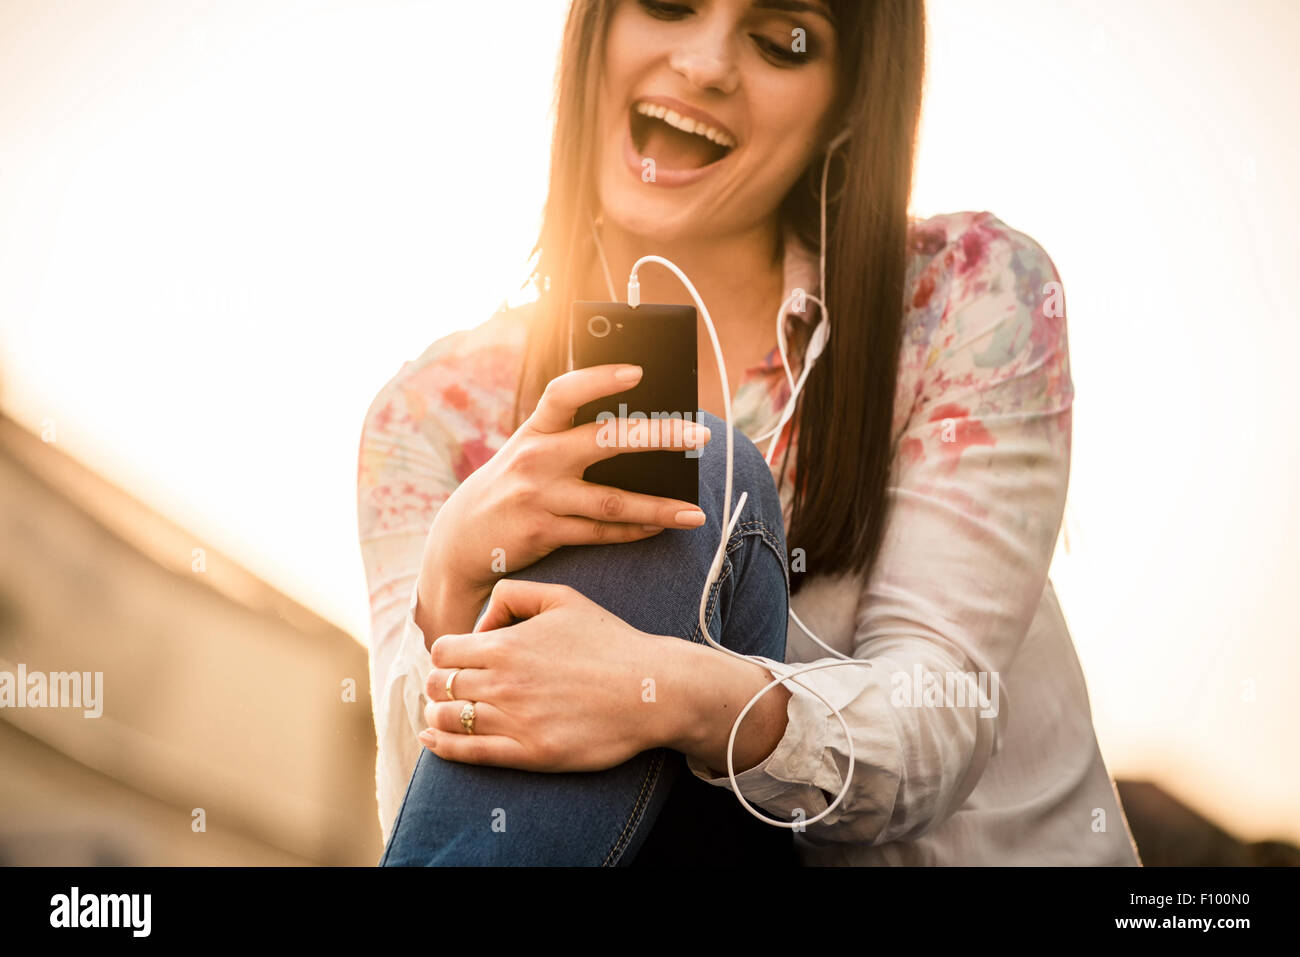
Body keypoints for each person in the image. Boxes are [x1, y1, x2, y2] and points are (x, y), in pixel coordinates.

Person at [357, 0, 1140, 865]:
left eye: (778, 41)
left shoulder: (970, 296)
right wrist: (451, 571)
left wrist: (672, 694)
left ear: (847, 103)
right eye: (668, 4)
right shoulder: (433, 411)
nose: (705, 64)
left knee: (698, 469)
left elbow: (934, 722)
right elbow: (419, 813)